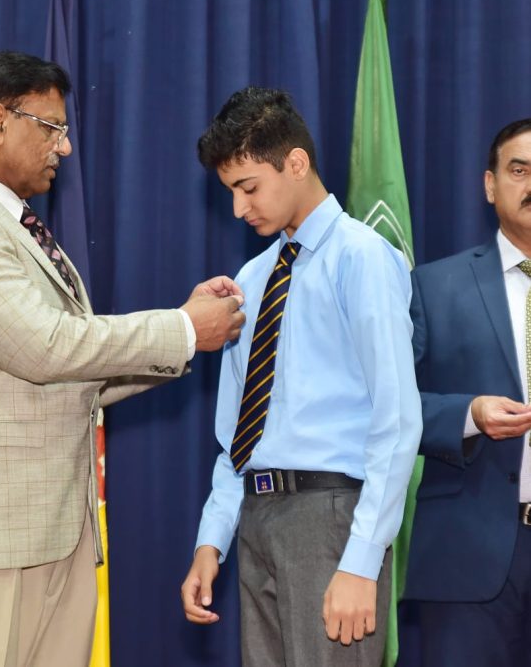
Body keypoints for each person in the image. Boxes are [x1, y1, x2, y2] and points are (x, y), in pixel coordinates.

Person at [0, 50, 245, 667]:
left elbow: (77, 377)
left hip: (59, 535)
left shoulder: (19, 224)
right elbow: (46, 346)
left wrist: (184, 334)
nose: (65, 147)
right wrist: (182, 329)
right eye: (52, 128)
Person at [180, 86, 422, 667]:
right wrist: (213, 537)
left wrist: (362, 558)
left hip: (332, 516)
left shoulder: (362, 257)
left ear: (295, 162)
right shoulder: (253, 276)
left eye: (248, 188)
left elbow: (396, 419)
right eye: (230, 192)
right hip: (257, 517)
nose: (238, 209)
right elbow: (239, 431)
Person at [403, 118, 531, 666]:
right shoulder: (434, 286)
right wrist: (469, 415)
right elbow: (390, 409)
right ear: (490, 185)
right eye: (519, 170)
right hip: (468, 552)